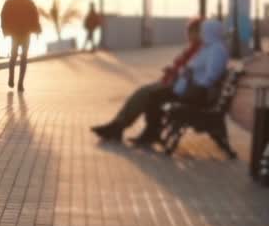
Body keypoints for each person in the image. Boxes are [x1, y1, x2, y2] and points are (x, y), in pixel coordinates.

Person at [91, 18, 227, 145]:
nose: (197, 34)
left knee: (148, 94)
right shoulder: (206, 48)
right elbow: (193, 68)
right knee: (144, 92)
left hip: (190, 91)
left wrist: (186, 76)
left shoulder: (212, 50)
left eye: (199, 31)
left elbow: (208, 75)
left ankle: (138, 130)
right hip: (183, 85)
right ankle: (119, 126)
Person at [0, 0, 41, 91]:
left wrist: (5, 30)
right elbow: (35, 17)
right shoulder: (29, 2)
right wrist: (37, 30)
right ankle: (20, 83)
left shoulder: (10, 2)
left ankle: (12, 78)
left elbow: (3, 16)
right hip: (25, 34)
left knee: (13, 56)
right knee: (23, 58)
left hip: (16, 34)